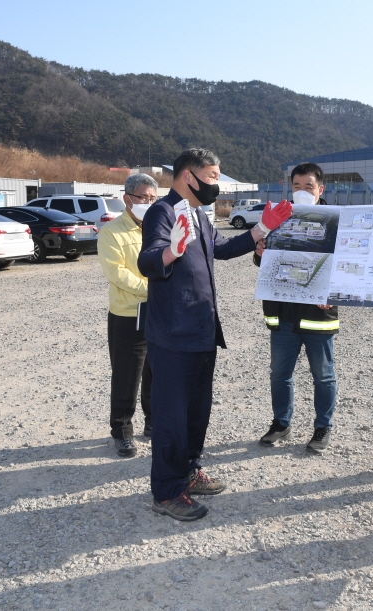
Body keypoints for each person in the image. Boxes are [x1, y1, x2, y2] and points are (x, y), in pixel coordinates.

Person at [138, 148, 292, 521]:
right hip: (173, 334)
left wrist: (261, 229)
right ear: (188, 176)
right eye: (211, 177)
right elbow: (147, 261)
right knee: (171, 417)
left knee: (196, 412)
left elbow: (221, 249)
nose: (216, 184)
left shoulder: (200, 214)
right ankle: (167, 491)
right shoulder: (163, 211)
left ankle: (189, 471)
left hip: (202, 330)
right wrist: (170, 252)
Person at [255, 162, 339, 454]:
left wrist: (335, 292)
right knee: (279, 373)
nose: (302, 191)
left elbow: (347, 266)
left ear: (321, 189)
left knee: (323, 375)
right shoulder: (279, 218)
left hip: (318, 315)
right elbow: (263, 263)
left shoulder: (336, 222)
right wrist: (260, 252)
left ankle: (322, 427)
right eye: (297, 186)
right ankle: (281, 423)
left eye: (309, 186)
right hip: (282, 313)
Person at [98, 173, 159, 458]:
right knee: (127, 375)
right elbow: (117, 273)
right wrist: (152, 289)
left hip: (157, 314)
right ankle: (121, 431)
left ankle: (152, 422)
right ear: (127, 199)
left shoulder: (159, 228)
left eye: (152, 198)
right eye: (142, 197)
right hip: (127, 314)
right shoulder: (112, 232)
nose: (147, 202)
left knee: (155, 372)